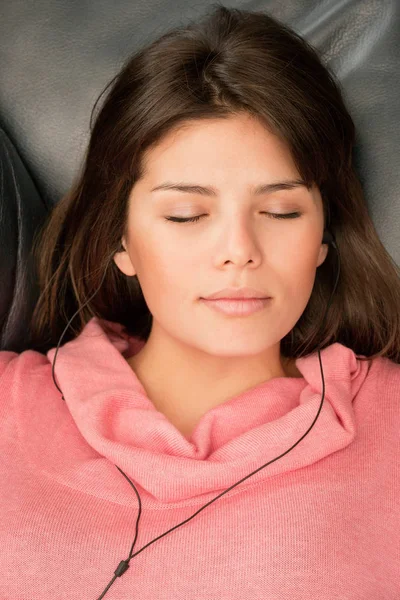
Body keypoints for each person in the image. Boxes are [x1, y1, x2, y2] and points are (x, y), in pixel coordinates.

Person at [1, 3, 399, 599]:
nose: (239, 251)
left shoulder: (386, 422)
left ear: (322, 238)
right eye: (187, 214)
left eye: (280, 211)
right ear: (121, 241)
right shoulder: (12, 404)